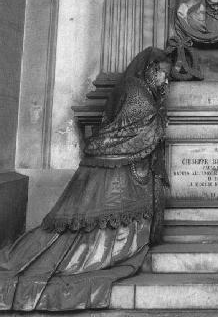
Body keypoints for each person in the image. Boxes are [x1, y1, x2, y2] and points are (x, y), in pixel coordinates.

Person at [0, 47, 172, 311]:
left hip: (120, 165)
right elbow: (136, 125)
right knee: (88, 226)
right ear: (150, 69)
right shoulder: (136, 90)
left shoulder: (138, 87)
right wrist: (160, 120)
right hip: (117, 166)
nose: (165, 80)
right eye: (162, 74)